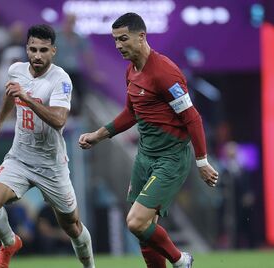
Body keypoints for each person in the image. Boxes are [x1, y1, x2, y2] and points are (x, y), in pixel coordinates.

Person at [78, 13, 218, 268]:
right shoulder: (131, 70)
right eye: (115, 40)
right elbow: (131, 113)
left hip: (170, 159)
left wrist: (202, 161)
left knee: (136, 221)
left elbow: (193, 118)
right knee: (143, 230)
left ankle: (180, 260)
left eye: (123, 39)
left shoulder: (165, 72)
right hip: (145, 158)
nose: (118, 45)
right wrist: (98, 135)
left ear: (141, 36)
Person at [0, 24, 95, 268]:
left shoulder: (61, 79)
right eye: (33, 49)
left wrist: (28, 99)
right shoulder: (16, 70)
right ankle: (9, 243)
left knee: (72, 227)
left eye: (43, 50)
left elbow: (59, 120)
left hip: (52, 165)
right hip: (19, 158)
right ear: (26, 49)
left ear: (53, 51)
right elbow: (11, 93)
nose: (37, 55)